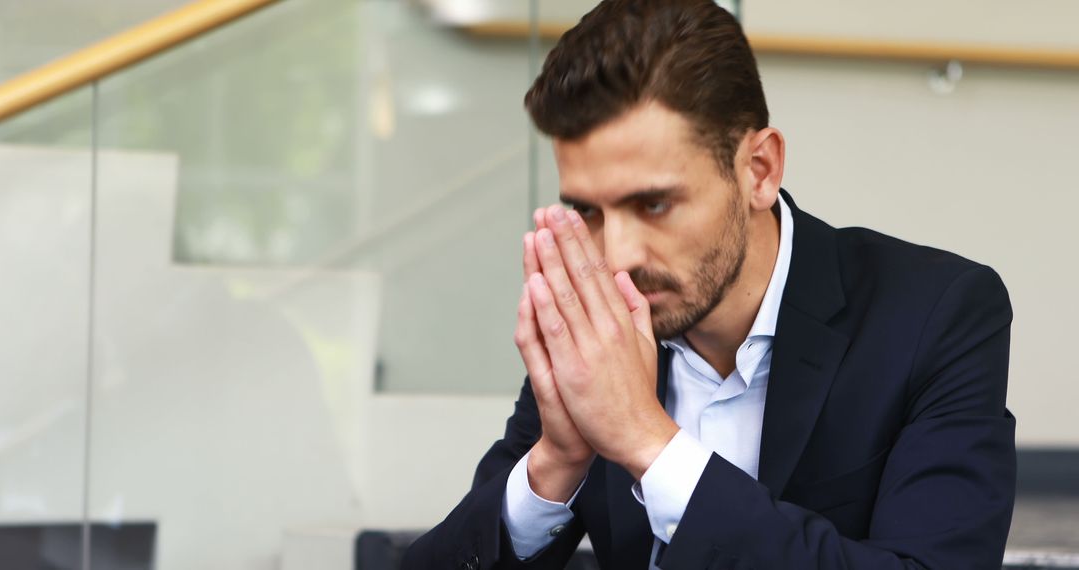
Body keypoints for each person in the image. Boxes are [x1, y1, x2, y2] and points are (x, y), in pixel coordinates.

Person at [402, 0, 1016, 568]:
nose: (617, 255)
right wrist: (554, 464)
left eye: (655, 204)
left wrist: (648, 442)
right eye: (588, 211)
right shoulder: (600, 330)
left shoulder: (937, 314)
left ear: (758, 170)